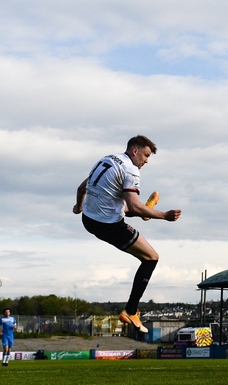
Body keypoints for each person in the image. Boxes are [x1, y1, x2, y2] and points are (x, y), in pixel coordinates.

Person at [73, 135, 181, 334]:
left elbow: (82, 188)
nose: (146, 161)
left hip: (88, 218)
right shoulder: (130, 170)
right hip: (107, 225)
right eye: (146, 155)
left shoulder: (106, 159)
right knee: (151, 257)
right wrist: (164, 215)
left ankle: (145, 211)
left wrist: (78, 207)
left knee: (125, 205)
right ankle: (131, 311)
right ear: (135, 151)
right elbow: (133, 205)